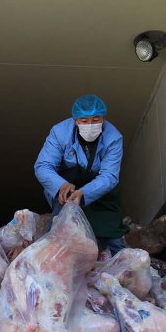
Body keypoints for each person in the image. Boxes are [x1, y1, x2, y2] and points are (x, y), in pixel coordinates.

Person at [34, 94, 127, 255]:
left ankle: (120, 264)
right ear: (75, 120)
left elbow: (110, 176)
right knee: (58, 231)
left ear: (103, 118)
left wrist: (85, 193)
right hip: (67, 187)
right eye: (84, 121)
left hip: (99, 189)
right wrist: (61, 185)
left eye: (96, 119)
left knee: (111, 237)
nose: (90, 125)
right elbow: (43, 166)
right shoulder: (59, 132)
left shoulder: (114, 137)